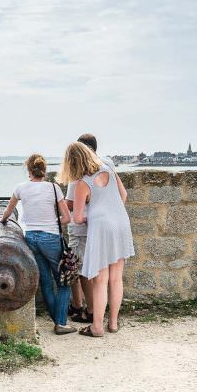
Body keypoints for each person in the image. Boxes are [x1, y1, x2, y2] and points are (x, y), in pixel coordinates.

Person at [59, 142, 134, 337]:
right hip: (121, 222)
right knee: (116, 278)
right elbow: (123, 195)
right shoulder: (109, 167)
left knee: (101, 280)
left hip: (101, 226)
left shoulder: (82, 182)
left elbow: (76, 218)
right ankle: (114, 324)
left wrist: (91, 217)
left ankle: (97, 327)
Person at [0, 154, 76, 335]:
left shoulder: (20, 188)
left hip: (31, 238)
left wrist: (0, 219)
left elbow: (7, 213)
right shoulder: (53, 188)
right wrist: (51, 220)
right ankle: (61, 323)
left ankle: (57, 320)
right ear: (44, 170)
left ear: (28, 170)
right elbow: (67, 218)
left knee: (46, 283)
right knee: (63, 282)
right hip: (51, 238)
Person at [65, 133, 117, 324]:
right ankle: (103, 314)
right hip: (104, 225)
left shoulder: (79, 171)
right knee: (102, 271)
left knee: (81, 269)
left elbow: (71, 204)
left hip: (81, 228)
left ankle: (92, 310)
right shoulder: (107, 165)